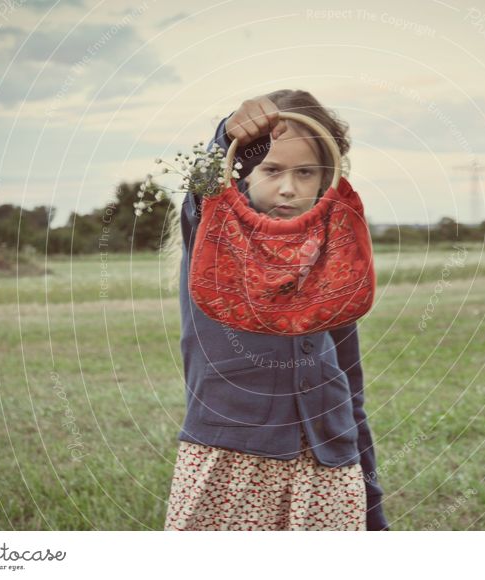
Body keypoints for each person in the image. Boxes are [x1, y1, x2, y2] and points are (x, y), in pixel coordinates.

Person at [164, 90, 389, 531]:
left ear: (326, 181)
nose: (289, 187)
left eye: (306, 172)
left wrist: (371, 502)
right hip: (231, 460)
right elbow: (203, 188)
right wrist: (227, 133)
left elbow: (351, 387)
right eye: (271, 170)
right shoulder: (214, 235)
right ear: (243, 174)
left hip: (330, 466)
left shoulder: (334, 259)